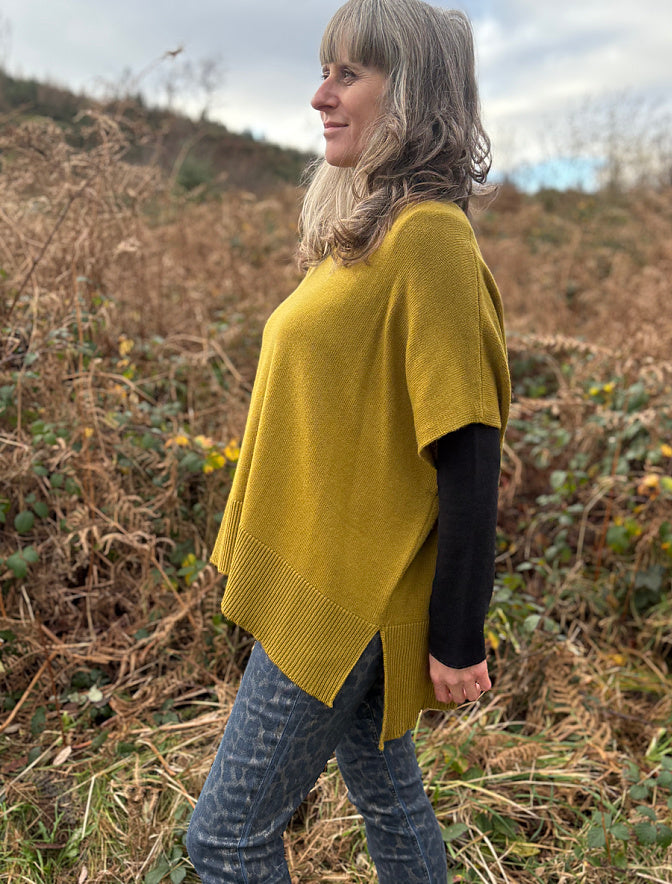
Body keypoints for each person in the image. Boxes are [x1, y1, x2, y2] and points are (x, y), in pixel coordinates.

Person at [186, 0, 511, 881]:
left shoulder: (431, 239)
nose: (320, 95)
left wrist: (457, 636)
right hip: (340, 581)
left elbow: (470, 452)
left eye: (348, 73)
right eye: (324, 70)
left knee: (225, 840)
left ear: (412, 95)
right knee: (390, 799)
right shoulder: (367, 233)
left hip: (347, 603)